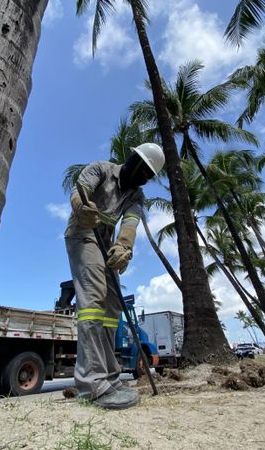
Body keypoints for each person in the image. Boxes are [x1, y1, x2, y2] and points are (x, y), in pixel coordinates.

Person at [64, 143, 165, 410]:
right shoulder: (100, 169)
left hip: (106, 244)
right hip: (82, 234)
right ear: (132, 159)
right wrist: (81, 207)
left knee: (112, 308)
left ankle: (110, 376)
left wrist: (124, 248)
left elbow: (130, 223)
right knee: (94, 299)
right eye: (142, 171)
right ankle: (93, 384)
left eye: (148, 177)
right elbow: (80, 191)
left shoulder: (135, 195)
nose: (143, 179)